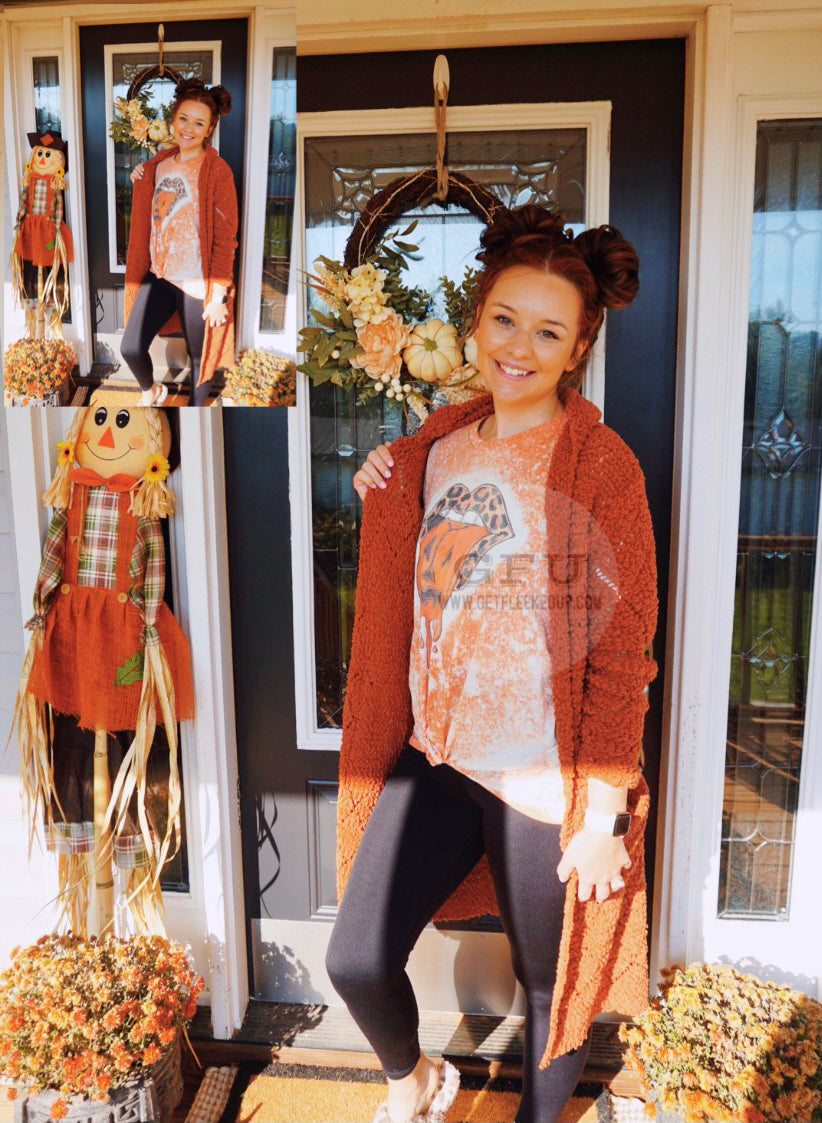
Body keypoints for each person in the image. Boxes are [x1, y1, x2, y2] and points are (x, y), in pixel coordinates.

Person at [325, 205, 659, 1123]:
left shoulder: (601, 466)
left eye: (548, 330)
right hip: (440, 758)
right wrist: (380, 479)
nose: (519, 345)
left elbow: (622, 649)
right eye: (505, 319)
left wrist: (604, 815)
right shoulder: (437, 446)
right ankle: (416, 1079)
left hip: (545, 784)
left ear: (578, 346)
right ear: (475, 322)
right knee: (356, 957)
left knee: (553, 989)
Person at [122, 78, 238, 407]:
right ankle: (152, 391)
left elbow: (225, 237)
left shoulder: (217, 172)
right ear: (173, 119)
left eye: (199, 123)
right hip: (160, 275)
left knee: (200, 360)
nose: (189, 128)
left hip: (197, 283)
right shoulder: (160, 164)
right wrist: (139, 176)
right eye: (184, 118)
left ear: (210, 128)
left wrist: (218, 295)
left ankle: (194, 417)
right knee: (130, 347)